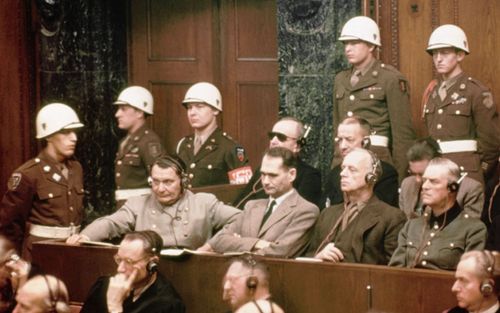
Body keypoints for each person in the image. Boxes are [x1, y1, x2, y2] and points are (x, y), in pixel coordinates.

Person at [66, 156, 240, 248]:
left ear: (183, 181)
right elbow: (110, 223)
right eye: (155, 182)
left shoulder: (204, 203)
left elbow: (240, 219)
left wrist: (213, 245)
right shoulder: (137, 205)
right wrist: (85, 236)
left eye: (168, 182)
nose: (160, 188)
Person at [332, 16, 416, 180]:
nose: (348, 49)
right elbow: (337, 125)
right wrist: (336, 162)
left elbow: (402, 135)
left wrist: (397, 177)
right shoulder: (340, 79)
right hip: (344, 162)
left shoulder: (390, 79)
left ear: (371, 45)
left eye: (354, 43)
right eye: (346, 44)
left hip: (376, 161)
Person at [0, 103, 85, 260]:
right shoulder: (29, 174)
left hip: (74, 253)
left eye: (74, 131)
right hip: (41, 255)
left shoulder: (76, 168)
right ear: (49, 136)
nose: (74, 138)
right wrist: (15, 261)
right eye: (66, 132)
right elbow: (10, 225)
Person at [199, 147, 319, 257]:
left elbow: (281, 251)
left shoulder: (306, 210)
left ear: (292, 175)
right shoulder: (251, 206)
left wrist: (237, 244)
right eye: (263, 174)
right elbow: (219, 241)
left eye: (273, 175)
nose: (265, 181)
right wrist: (257, 243)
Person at [422, 24, 500, 185]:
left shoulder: (476, 92)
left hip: (465, 173)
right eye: (435, 53)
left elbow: (491, 143)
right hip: (436, 174)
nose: (438, 58)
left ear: (460, 55)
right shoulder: (432, 92)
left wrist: (479, 172)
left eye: (444, 53)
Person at [306, 148, 405, 264]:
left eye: (352, 170)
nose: (342, 174)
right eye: (343, 168)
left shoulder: (391, 217)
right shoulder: (327, 214)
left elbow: (394, 269)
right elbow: (308, 256)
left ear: (371, 176)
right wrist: (318, 256)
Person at [389, 158, 487, 270]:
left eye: (433, 181)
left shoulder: (473, 230)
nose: (425, 186)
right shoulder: (411, 226)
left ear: (452, 187)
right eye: (424, 180)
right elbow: (395, 271)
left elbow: (470, 277)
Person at [81, 231, 185, 313]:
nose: (120, 269)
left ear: (152, 263)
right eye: (119, 259)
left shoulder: (168, 304)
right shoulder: (103, 286)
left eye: (129, 262)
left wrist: (115, 308)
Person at [233, 117, 321, 208]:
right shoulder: (262, 169)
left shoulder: (309, 175)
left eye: (281, 137)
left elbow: (300, 212)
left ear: (297, 146)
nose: (273, 141)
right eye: (271, 136)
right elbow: (240, 203)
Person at [176, 82, 249, 188]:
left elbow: (242, 190)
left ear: (215, 109)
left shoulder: (230, 148)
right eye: (189, 107)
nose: (192, 112)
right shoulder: (183, 145)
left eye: (199, 107)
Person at [322, 116, 399, 208]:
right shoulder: (335, 173)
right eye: (340, 140)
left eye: (349, 140)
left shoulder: (385, 174)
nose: (342, 146)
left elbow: (380, 214)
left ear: (366, 142)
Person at [400, 138, 484, 219]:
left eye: (422, 174)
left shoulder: (469, 189)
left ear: (439, 163)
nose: (418, 180)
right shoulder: (407, 184)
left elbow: (469, 228)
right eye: (413, 173)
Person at [113, 86, 165, 204]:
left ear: (139, 112)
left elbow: (160, 179)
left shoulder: (149, 141)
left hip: (142, 209)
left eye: (123, 109)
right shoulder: (125, 142)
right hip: (126, 207)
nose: (117, 114)